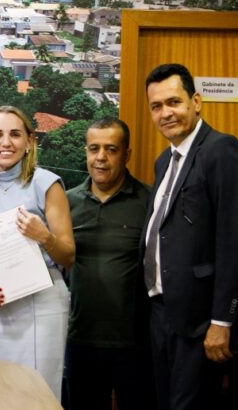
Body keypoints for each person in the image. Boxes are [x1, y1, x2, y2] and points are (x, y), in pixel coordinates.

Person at [142, 63, 238, 410]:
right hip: (162, 311)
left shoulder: (222, 151)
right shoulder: (165, 160)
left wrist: (223, 320)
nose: (166, 113)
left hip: (199, 319)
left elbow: (235, 242)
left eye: (174, 102)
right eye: (157, 106)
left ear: (196, 102)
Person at [0, 106, 75, 398]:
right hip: (4, 302)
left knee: (39, 391)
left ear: (30, 142)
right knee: (3, 388)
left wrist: (44, 236)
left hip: (44, 300)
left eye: (15, 134)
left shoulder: (46, 184)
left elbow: (68, 256)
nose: (6, 142)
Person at [65, 118, 153, 410]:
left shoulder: (149, 202)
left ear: (127, 154)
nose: (100, 157)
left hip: (136, 342)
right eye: (94, 148)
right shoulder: (67, 203)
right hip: (81, 338)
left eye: (111, 149)